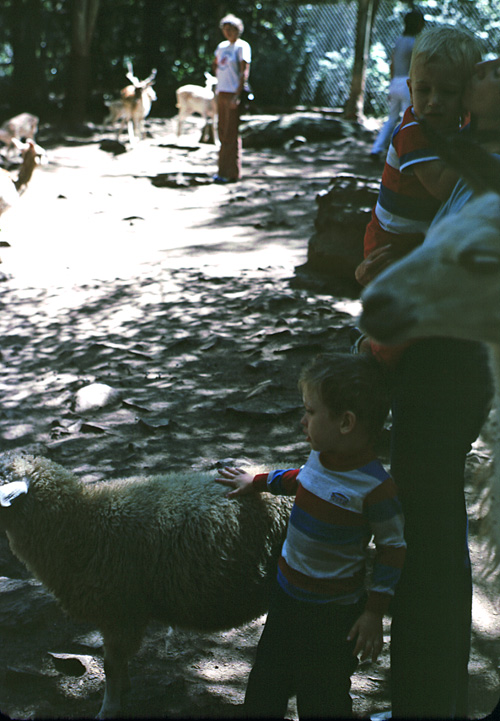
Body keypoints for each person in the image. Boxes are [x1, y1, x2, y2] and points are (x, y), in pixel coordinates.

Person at [385, 57, 499, 718]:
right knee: (427, 525)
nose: (485, 68)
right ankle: (430, 697)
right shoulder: (465, 152)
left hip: (452, 358)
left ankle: (428, 702)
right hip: (441, 354)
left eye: (495, 69)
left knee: (425, 530)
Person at [215, 352, 406, 719]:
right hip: (286, 600)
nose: (303, 421)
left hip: (333, 620)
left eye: (311, 412)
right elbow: (299, 479)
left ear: (345, 422)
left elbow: (392, 549)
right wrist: (256, 482)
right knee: (264, 691)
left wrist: (373, 612)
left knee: (323, 700)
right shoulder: (320, 457)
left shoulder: (376, 489)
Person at [355, 26, 482, 365]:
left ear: (467, 95)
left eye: (448, 91)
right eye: (424, 90)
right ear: (410, 89)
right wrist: (476, 141)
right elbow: (441, 187)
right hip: (390, 241)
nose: (434, 101)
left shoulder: (454, 125)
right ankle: (374, 355)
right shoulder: (413, 130)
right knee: (399, 320)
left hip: (414, 238)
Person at [370, 9, 425, 160]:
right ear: (418, 24)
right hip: (407, 84)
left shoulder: (399, 40)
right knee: (406, 120)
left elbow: (392, 63)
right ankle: (402, 152)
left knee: (391, 118)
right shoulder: (415, 43)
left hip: (395, 82)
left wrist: (391, 83)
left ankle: (376, 149)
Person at [212, 14, 251, 183]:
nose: (227, 32)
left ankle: (232, 172)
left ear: (238, 30)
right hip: (221, 92)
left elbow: (244, 71)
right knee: (222, 131)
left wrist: (237, 94)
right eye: (225, 29)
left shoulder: (242, 46)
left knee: (230, 132)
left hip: (232, 93)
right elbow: (216, 65)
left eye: (231, 29)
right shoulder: (221, 47)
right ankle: (222, 171)